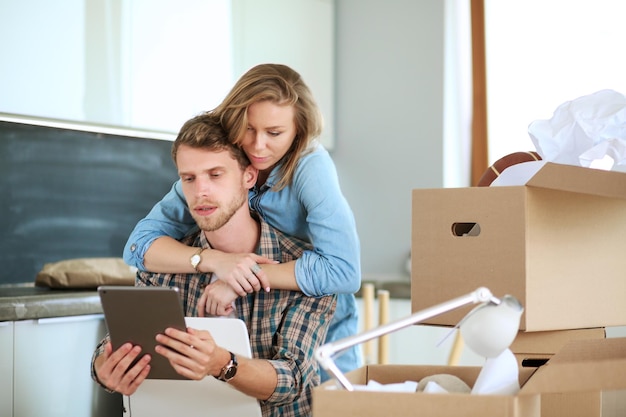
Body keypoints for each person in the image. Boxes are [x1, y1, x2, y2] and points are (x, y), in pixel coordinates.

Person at [123, 63, 362, 378]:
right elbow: (138, 248)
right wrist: (216, 261)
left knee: (320, 400)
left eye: (275, 133)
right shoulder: (219, 158)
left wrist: (239, 279)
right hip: (253, 315)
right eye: (249, 128)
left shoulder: (310, 168)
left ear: (298, 132)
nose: (257, 146)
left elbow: (343, 271)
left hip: (314, 307)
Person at [92, 114, 336, 417]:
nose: (200, 192)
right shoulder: (161, 262)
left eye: (215, 175)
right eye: (189, 178)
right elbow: (118, 343)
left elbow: (295, 379)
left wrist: (222, 363)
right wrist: (105, 369)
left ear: (248, 176)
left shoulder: (305, 269)